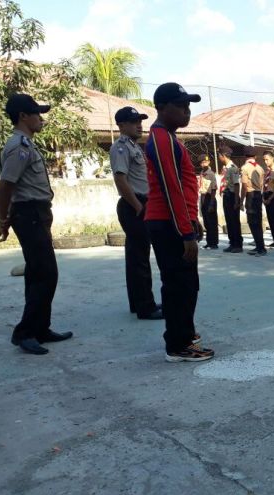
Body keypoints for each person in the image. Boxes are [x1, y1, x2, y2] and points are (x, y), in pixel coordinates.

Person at [0, 93, 73, 355]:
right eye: (37, 114)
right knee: (45, 273)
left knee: (37, 273)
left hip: (36, 213)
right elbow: (5, 186)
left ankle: (40, 328)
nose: (41, 118)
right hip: (28, 214)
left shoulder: (27, 144)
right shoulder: (19, 147)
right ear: (23, 117)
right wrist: (3, 219)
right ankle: (25, 332)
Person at [144, 82, 213, 362]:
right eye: (180, 106)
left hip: (175, 220)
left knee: (187, 282)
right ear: (161, 108)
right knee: (178, 284)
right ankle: (178, 344)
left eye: (188, 106)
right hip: (167, 222)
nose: (186, 111)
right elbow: (171, 187)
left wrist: (191, 219)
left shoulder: (170, 138)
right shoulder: (160, 139)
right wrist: (185, 232)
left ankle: (184, 331)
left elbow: (182, 189)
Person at [110, 106, 162, 320]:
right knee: (139, 258)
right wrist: (139, 207)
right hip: (134, 205)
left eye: (140, 121)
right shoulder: (121, 147)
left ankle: (138, 302)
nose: (139, 125)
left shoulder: (133, 147)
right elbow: (120, 180)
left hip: (140, 204)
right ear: (121, 126)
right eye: (133, 122)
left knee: (136, 256)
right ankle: (145, 306)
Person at [240, 146, 267, 256]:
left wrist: (241, 200)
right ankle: (259, 246)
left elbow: (244, 186)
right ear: (255, 156)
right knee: (258, 221)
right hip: (258, 194)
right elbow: (261, 184)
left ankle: (260, 248)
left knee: (252, 222)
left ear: (244, 156)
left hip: (250, 195)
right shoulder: (260, 168)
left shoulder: (245, 167)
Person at [218, 148, 242, 253]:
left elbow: (236, 185)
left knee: (234, 221)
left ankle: (238, 245)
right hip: (226, 195)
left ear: (223, 155)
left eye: (219, 155)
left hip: (232, 196)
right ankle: (232, 243)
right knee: (229, 221)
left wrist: (237, 201)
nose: (218, 158)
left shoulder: (233, 168)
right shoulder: (225, 168)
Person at [197, 154, 219, 250]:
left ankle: (214, 243)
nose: (204, 164)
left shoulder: (211, 174)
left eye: (205, 162)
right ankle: (209, 242)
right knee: (206, 222)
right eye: (202, 162)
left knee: (212, 222)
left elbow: (214, 189)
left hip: (210, 198)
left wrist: (211, 203)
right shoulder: (202, 172)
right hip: (203, 198)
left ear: (209, 162)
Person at [261, 151, 274, 248]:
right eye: (264, 159)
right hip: (266, 195)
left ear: (272, 158)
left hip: (273, 196)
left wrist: (270, 198)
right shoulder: (267, 171)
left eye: (267, 159)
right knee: (270, 219)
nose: (265, 161)